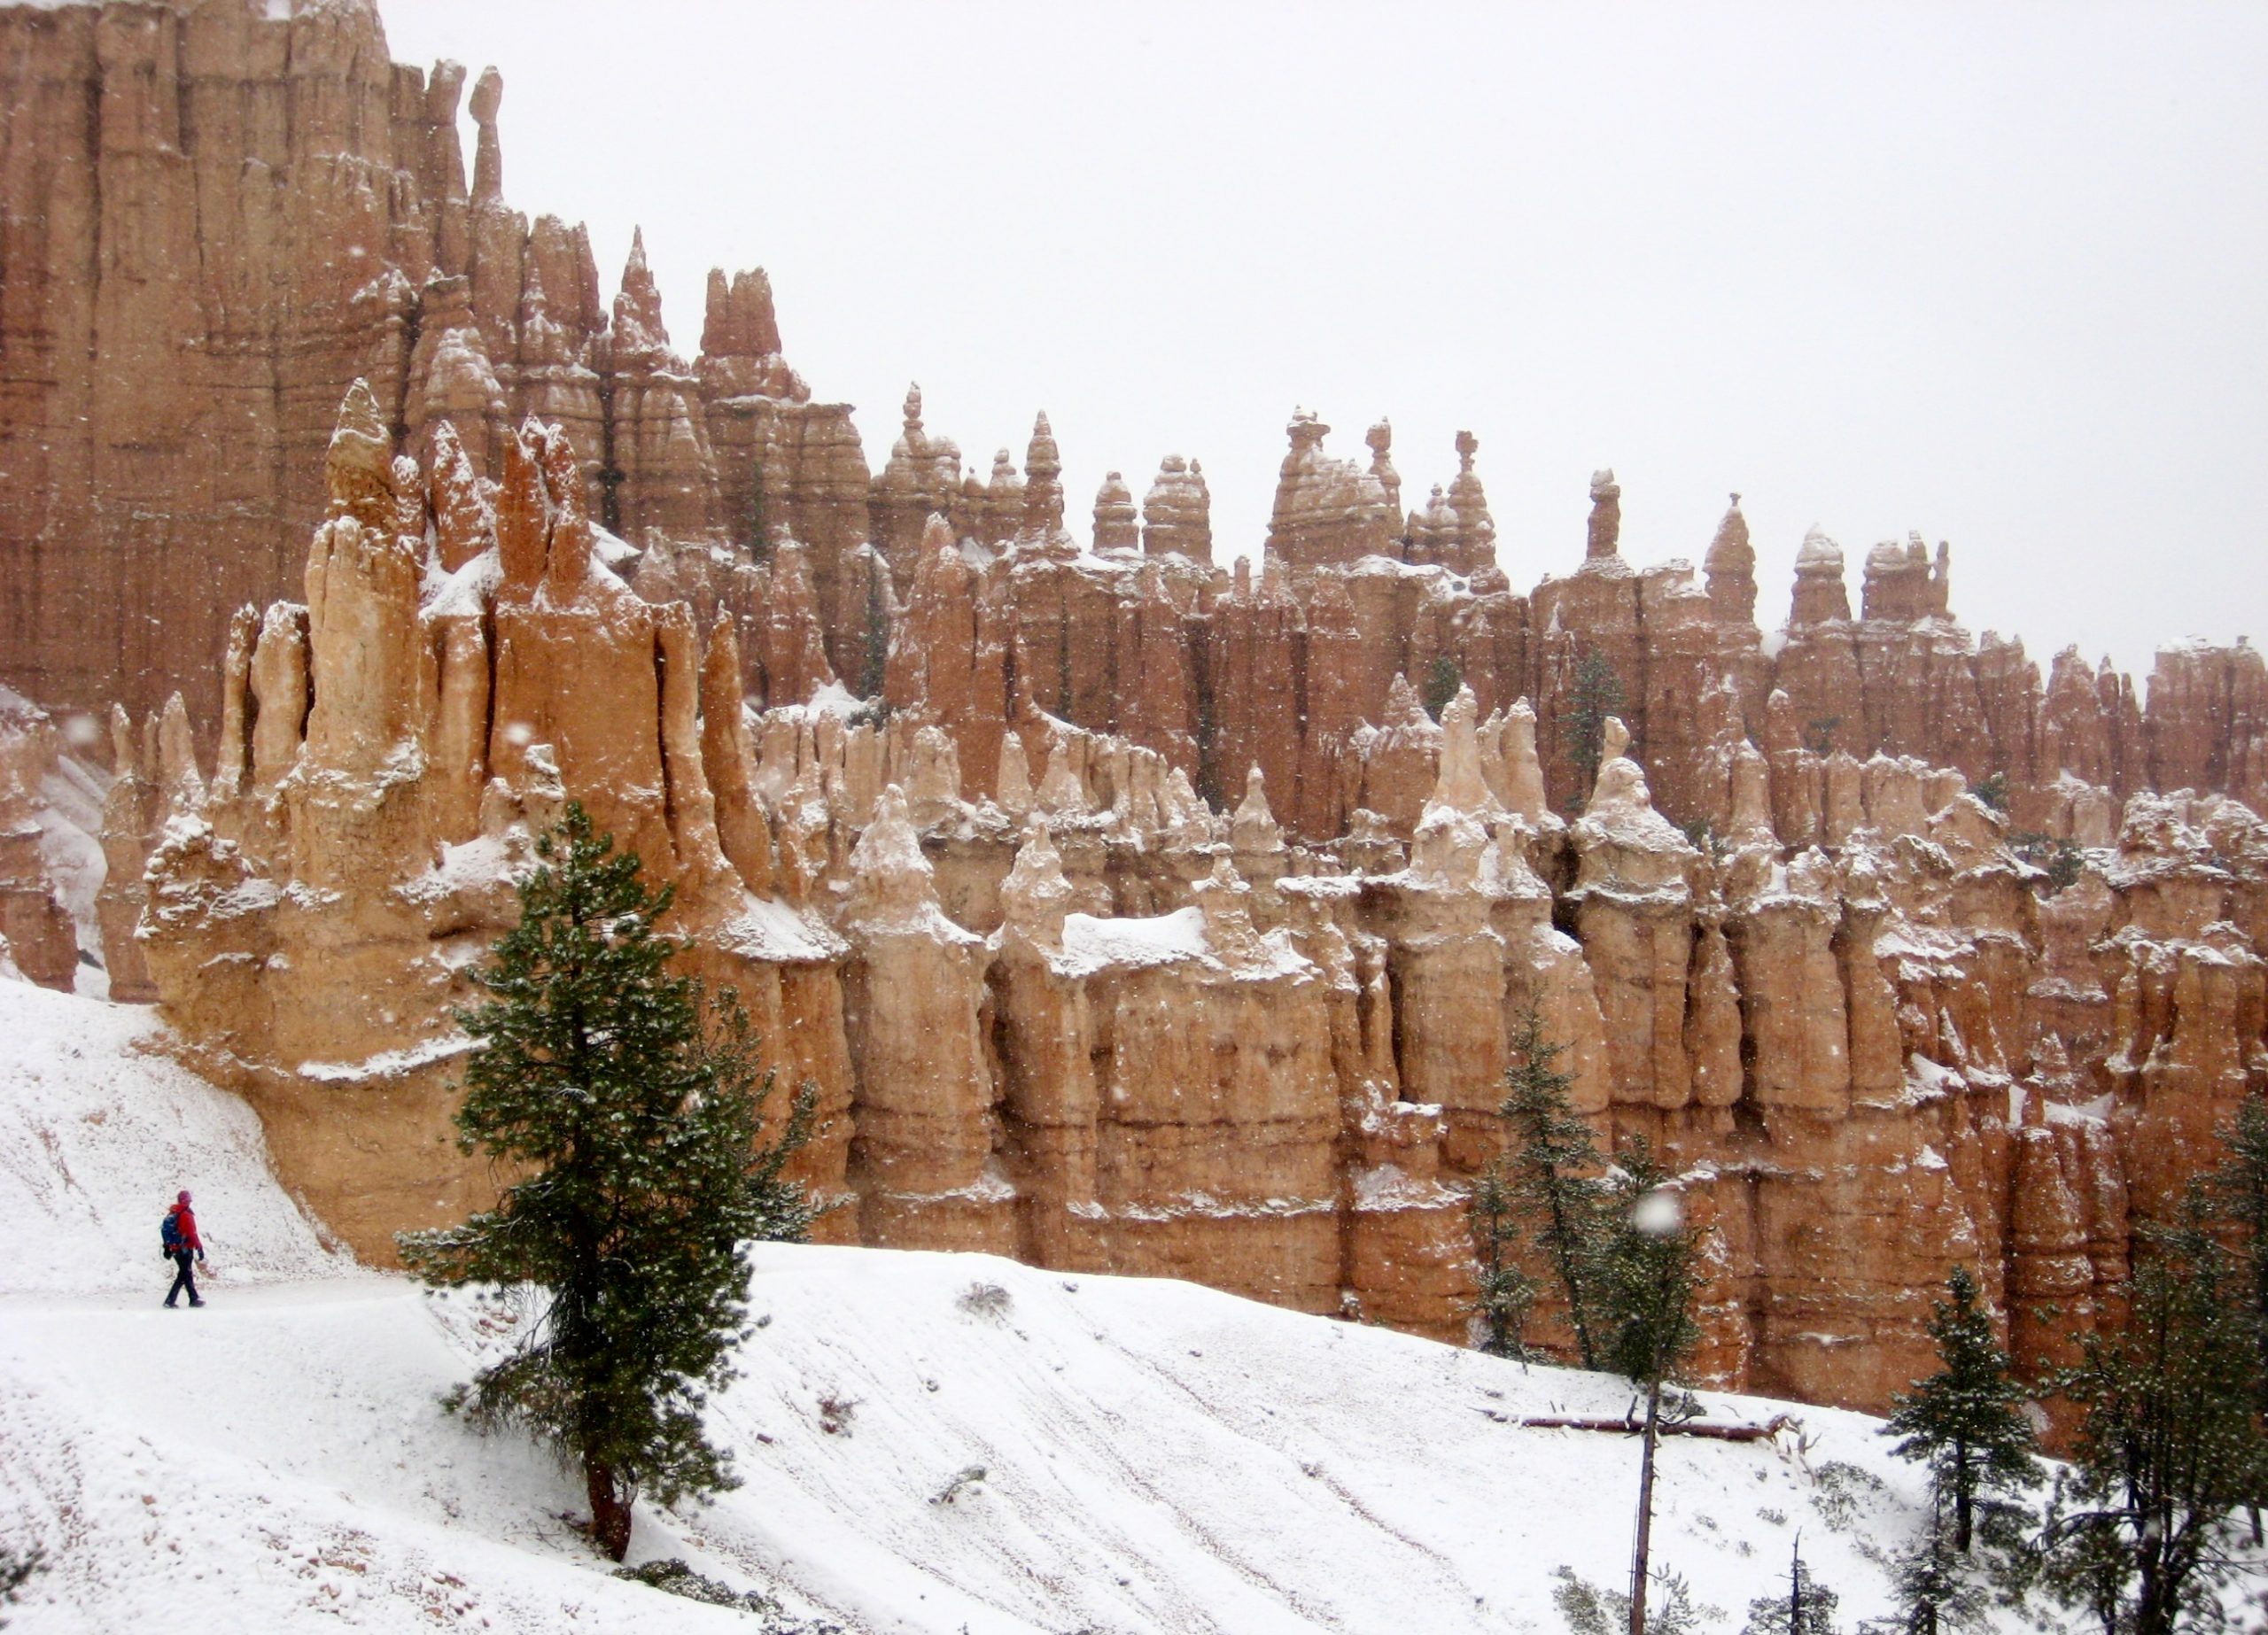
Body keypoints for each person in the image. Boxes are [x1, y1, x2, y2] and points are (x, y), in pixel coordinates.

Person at [162, 1189, 206, 1308]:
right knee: (184, 1274)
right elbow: (192, 1233)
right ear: (188, 1201)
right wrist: (199, 1248)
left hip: (175, 1249)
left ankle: (193, 1298)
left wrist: (167, 1247)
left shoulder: (173, 1212)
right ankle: (170, 1301)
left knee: (186, 1273)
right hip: (185, 1249)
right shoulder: (186, 1214)